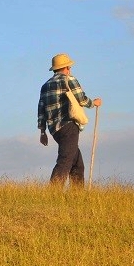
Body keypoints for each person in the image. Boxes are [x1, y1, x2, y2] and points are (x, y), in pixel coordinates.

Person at [38, 53, 102, 187]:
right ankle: (53, 193)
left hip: (54, 130)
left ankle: (76, 195)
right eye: (69, 67)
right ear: (66, 67)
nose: (70, 69)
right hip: (68, 126)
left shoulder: (45, 86)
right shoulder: (69, 79)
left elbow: (41, 110)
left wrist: (42, 132)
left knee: (77, 164)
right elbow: (81, 99)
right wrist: (94, 103)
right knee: (65, 160)